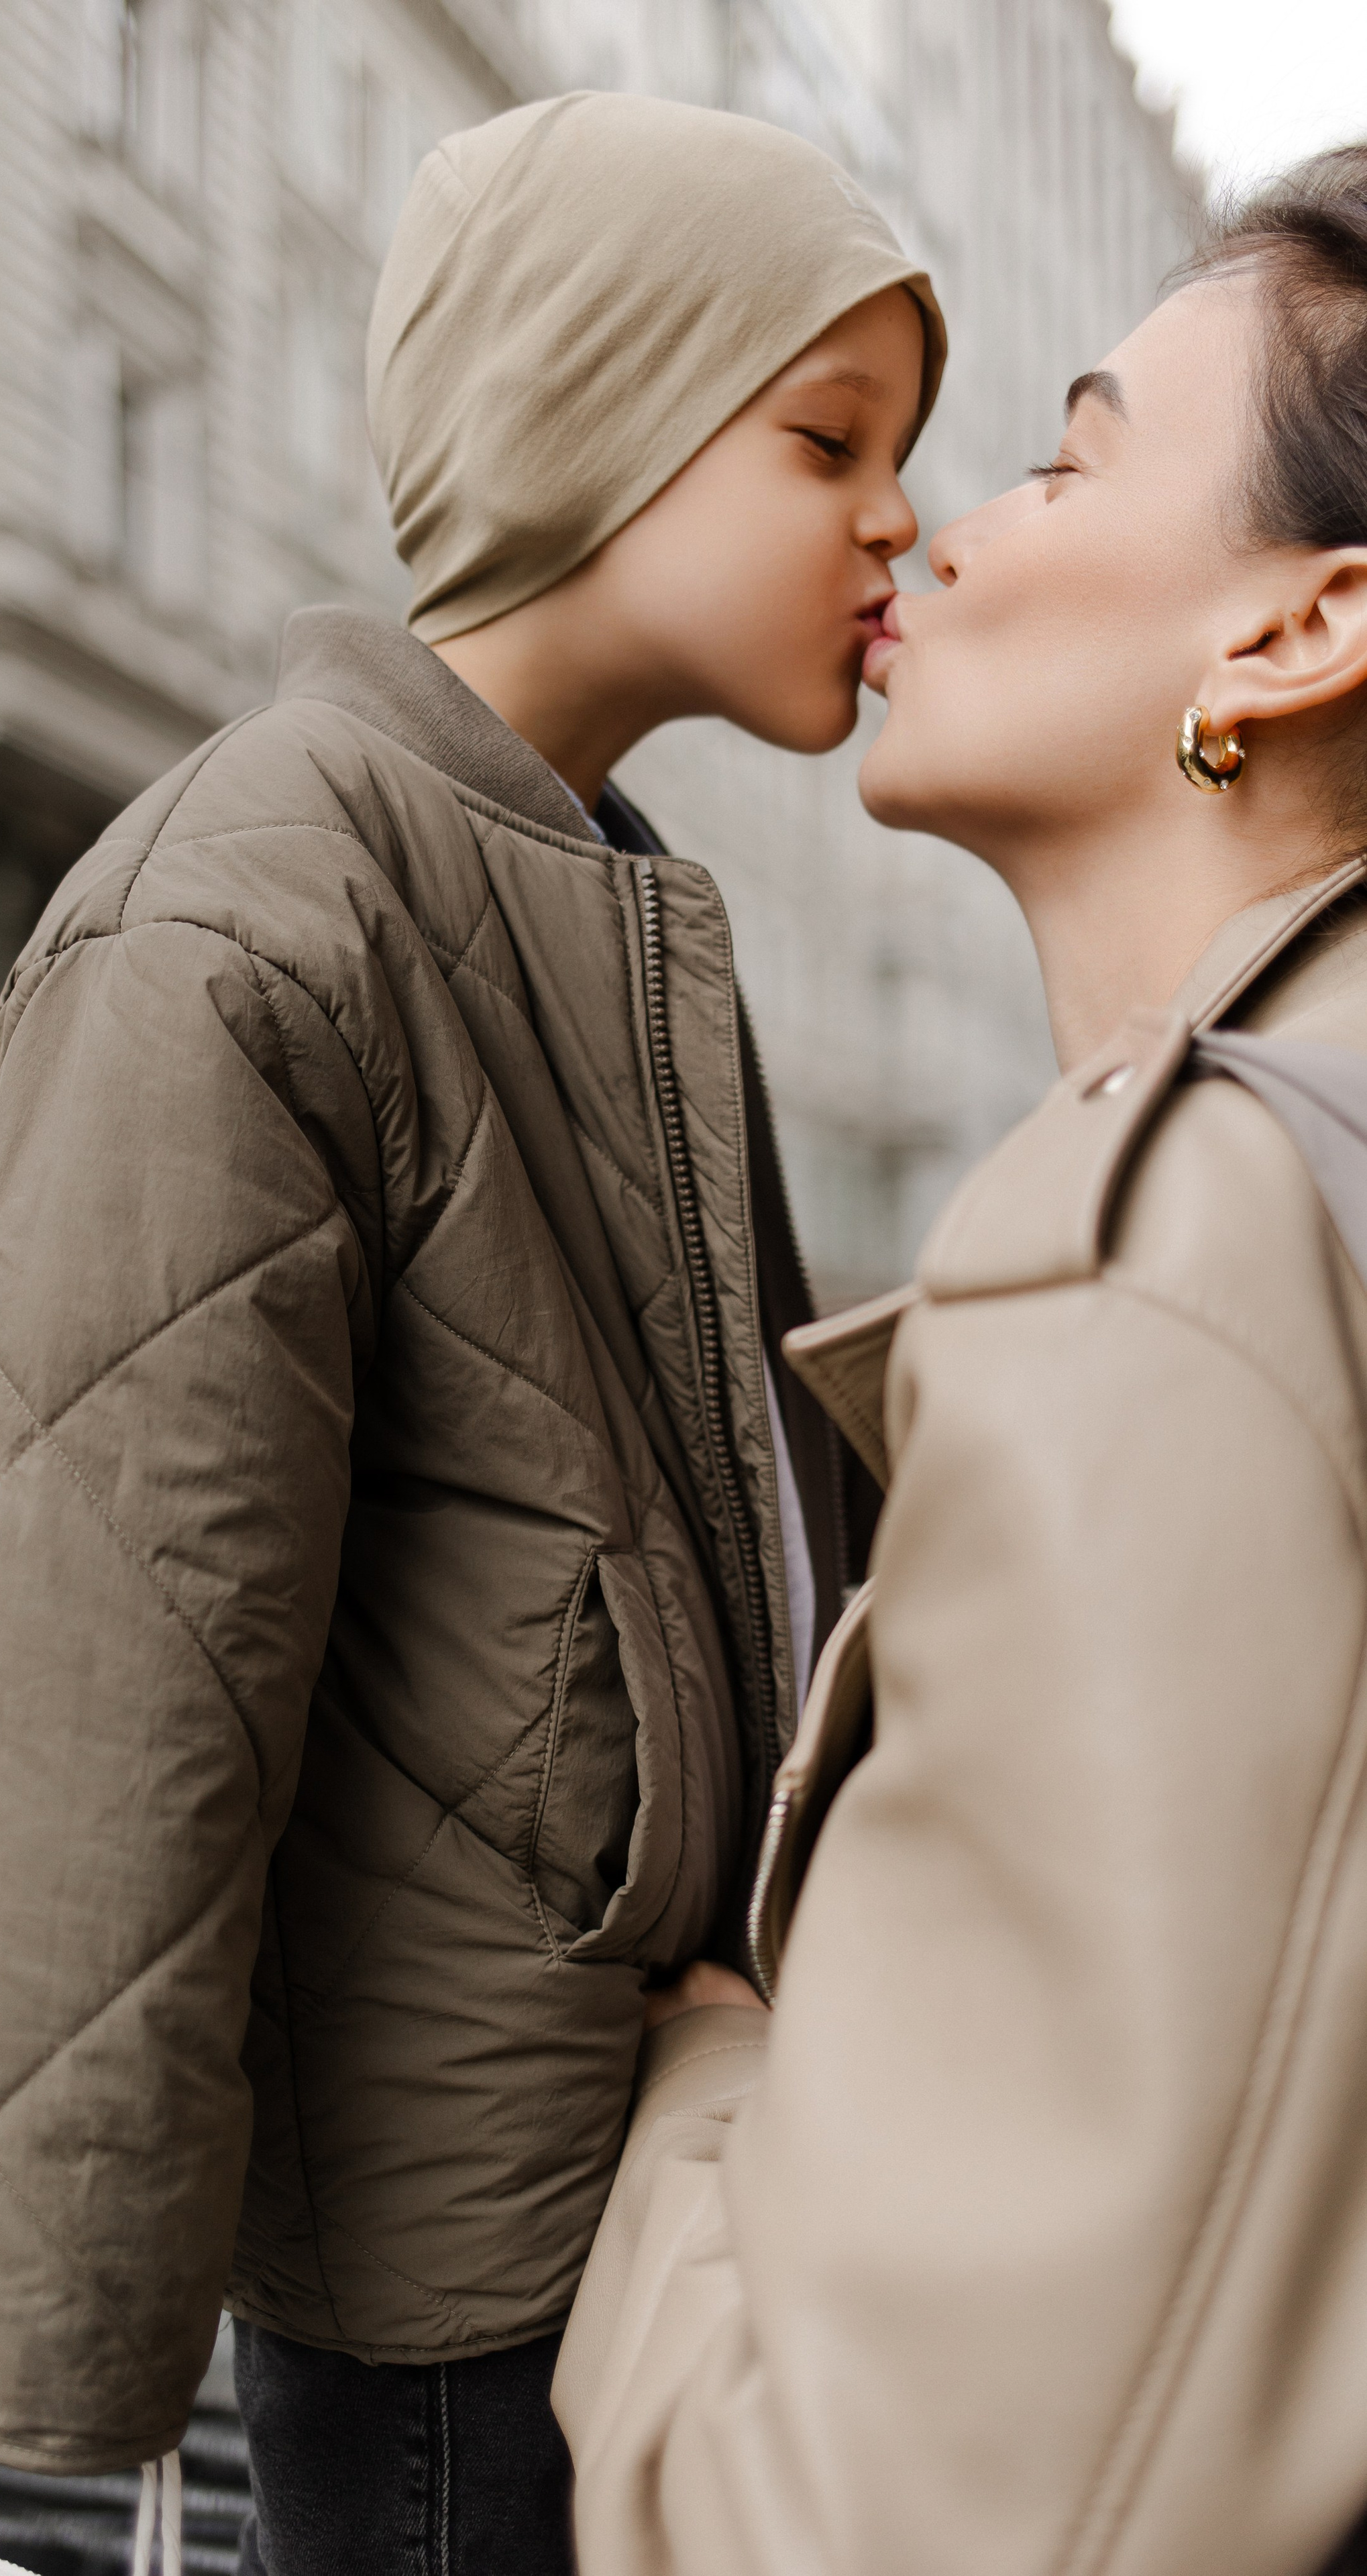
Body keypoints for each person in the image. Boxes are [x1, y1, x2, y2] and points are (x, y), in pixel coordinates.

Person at [0, 91, 945, 2575]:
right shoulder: (258, 902)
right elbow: (93, 1664)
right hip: (460, 2290)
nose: (901, 518)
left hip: (667, 2168)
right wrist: (44, 2356)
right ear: (593, 416)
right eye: (828, 439)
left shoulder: (613, 903)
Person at [554, 144, 1367, 2576]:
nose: (941, 530)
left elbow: (876, 2527)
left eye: (1065, 460)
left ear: (1302, 628)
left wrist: (707, 2092)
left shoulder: (1178, 1255)